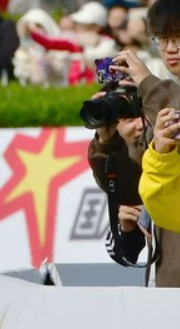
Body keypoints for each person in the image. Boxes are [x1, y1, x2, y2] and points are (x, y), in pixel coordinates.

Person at [87, 0, 180, 286]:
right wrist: (109, 139)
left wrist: (147, 83)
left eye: (178, 38)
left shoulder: (161, 96)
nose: (171, 49)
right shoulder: (160, 102)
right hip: (169, 273)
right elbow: (140, 182)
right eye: (162, 39)